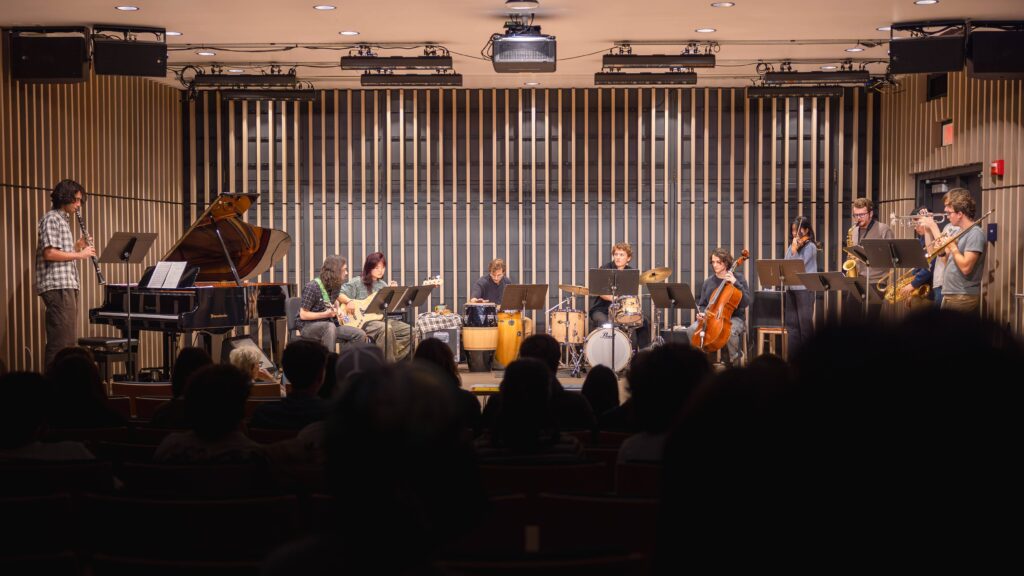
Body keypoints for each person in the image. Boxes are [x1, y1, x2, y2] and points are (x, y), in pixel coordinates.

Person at [35, 179, 96, 369]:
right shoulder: (52, 218)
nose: (79, 205)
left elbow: (60, 252)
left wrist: (76, 247)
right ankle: (52, 389)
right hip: (57, 286)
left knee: (67, 341)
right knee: (60, 343)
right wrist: (80, 254)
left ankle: (61, 387)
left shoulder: (62, 220)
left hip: (66, 285)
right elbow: (49, 253)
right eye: (76, 200)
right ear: (65, 198)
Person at [337, 252, 412, 362]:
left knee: (411, 331)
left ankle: (383, 358)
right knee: (386, 329)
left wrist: (394, 293)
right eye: (377, 268)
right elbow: (338, 293)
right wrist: (349, 301)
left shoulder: (383, 285)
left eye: (383, 267)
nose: (380, 271)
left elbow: (389, 308)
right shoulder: (357, 282)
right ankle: (388, 368)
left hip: (380, 319)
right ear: (369, 267)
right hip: (363, 322)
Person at [685, 247, 751, 367]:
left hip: (735, 318)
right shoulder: (708, 282)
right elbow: (704, 305)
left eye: (718, 262)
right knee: (691, 329)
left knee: (730, 332)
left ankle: (737, 364)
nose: (715, 265)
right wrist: (702, 314)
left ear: (726, 263)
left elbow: (746, 301)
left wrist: (735, 282)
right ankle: (701, 364)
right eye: (713, 262)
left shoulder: (739, 278)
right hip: (712, 318)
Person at [250, 340, 331, 430]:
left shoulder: (263, 414)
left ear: (286, 372)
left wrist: (272, 380)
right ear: (321, 376)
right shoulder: (332, 415)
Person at [295, 255, 370, 351]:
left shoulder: (336, 286)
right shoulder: (312, 287)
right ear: (335, 271)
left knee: (360, 334)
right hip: (308, 326)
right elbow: (303, 315)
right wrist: (325, 314)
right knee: (329, 327)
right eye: (344, 270)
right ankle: (328, 363)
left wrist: (338, 310)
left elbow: (334, 301)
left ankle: (342, 362)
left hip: (329, 324)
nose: (346, 273)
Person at [589, 242, 650, 347]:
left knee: (644, 321)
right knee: (605, 322)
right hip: (602, 309)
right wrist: (615, 299)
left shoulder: (631, 272)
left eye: (621, 255)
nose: (618, 257)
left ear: (628, 258)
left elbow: (631, 295)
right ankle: (604, 354)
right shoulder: (605, 268)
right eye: (616, 254)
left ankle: (643, 354)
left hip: (622, 311)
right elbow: (600, 292)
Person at [937, 189, 986, 314]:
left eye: (949, 213)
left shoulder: (975, 233)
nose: (947, 217)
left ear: (959, 214)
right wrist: (942, 251)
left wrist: (953, 247)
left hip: (962, 295)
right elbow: (946, 261)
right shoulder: (959, 232)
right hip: (951, 293)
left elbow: (966, 268)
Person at [846, 197, 893, 322]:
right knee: (851, 317)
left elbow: (890, 256)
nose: (858, 218)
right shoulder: (853, 230)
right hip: (857, 280)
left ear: (871, 214)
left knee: (871, 320)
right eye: (855, 215)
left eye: (861, 214)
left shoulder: (883, 229)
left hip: (876, 281)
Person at [784, 216, 818, 353]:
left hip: (805, 290)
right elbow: (786, 262)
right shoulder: (792, 245)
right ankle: (793, 360)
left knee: (805, 327)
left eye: (797, 231)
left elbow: (798, 265)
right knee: (792, 327)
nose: (794, 234)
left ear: (806, 230)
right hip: (791, 288)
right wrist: (793, 248)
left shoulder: (811, 246)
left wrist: (794, 250)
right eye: (793, 231)